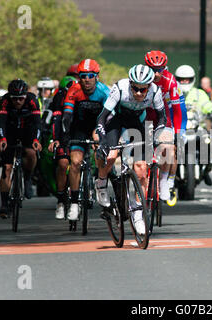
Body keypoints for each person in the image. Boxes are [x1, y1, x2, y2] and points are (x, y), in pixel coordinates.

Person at [95, 64, 167, 235]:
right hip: (116, 121)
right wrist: (103, 141)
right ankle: (101, 183)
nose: (139, 93)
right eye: (135, 88)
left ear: (149, 86)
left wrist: (156, 135)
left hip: (137, 123)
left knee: (142, 169)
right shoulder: (120, 88)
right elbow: (102, 117)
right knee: (111, 156)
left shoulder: (155, 91)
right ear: (130, 84)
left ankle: (138, 215)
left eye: (143, 90)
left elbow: (162, 117)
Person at [61, 59, 110, 221]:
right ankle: (74, 203)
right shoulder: (74, 90)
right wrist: (65, 135)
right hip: (79, 128)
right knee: (75, 162)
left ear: (97, 76)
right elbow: (67, 116)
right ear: (79, 77)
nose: (86, 79)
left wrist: (105, 138)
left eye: (90, 76)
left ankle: (100, 179)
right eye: (83, 76)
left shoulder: (104, 92)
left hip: (97, 126)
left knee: (100, 149)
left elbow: (108, 117)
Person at [0, 79, 42, 219]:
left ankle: (27, 178)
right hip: (10, 132)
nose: (17, 102)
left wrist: (36, 140)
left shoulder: (32, 100)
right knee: (7, 168)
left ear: (26, 96)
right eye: (14, 99)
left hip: (27, 131)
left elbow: (37, 123)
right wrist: (2, 139)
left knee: (31, 153)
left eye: (21, 98)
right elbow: (1, 122)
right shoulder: (4, 101)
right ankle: (4, 204)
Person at [144, 50, 186, 200]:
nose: (156, 74)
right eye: (153, 70)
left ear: (165, 68)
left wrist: (180, 132)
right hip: (146, 116)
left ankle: (164, 181)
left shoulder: (170, 81)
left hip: (164, 117)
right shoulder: (142, 78)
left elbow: (178, 110)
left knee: (169, 150)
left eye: (159, 70)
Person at [174, 64, 212, 185]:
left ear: (192, 79)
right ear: (177, 79)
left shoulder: (199, 93)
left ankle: (207, 167)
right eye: (182, 80)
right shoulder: (173, 92)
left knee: (209, 141)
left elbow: (206, 104)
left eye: (187, 79)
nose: (184, 82)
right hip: (179, 127)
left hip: (197, 126)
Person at [47, 74, 78, 219]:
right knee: (63, 163)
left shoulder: (82, 96)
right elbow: (57, 121)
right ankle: (60, 201)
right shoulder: (59, 98)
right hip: (63, 135)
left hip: (79, 133)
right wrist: (55, 139)